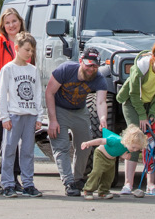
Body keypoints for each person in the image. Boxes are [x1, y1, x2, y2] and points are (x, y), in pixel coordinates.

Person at [115, 26, 155, 196]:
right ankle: (128, 183)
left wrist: (151, 114)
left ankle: (151, 184)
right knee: (136, 137)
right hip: (132, 103)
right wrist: (142, 117)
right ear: (153, 58)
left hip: (150, 104)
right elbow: (133, 94)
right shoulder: (141, 67)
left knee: (151, 141)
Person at [45, 46, 109, 197]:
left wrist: (103, 118)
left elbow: (101, 102)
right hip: (59, 108)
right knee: (61, 146)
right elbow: (49, 92)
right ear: (81, 61)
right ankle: (68, 182)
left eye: (95, 66)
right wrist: (52, 120)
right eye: (88, 64)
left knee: (85, 145)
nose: (91, 69)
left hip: (80, 111)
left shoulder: (99, 78)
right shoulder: (66, 69)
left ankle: (78, 178)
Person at [0, 31, 44, 198]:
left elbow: (38, 93)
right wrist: (4, 117)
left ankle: (28, 183)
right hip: (14, 114)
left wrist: (39, 116)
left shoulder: (33, 70)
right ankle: (8, 183)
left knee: (28, 151)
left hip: (30, 115)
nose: (30, 53)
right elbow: (2, 94)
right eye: (27, 50)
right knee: (9, 149)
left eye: (32, 50)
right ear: (17, 48)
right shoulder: (8, 69)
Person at [0, 8, 25, 195]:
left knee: (14, 138)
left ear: (20, 22)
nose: (11, 25)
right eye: (7, 22)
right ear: (3, 25)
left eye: (14, 21)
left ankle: (13, 177)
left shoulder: (25, 42)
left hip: (16, 96)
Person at [79, 125, 147, 200]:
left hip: (111, 159)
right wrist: (88, 143)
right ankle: (88, 190)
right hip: (101, 155)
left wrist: (123, 156)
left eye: (137, 149)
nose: (134, 150)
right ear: (127, 141)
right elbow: (101, 141)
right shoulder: (115, 140)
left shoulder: (128, 148)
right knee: (97, 172)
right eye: (133, 147)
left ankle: (103, 191)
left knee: (109, 175)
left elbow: (119, 151)